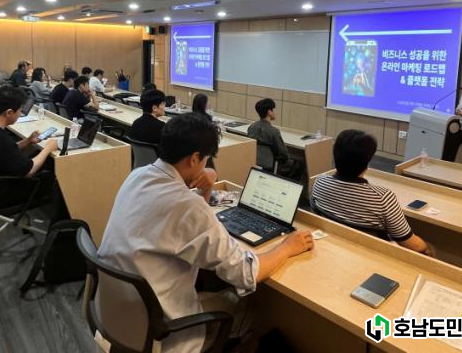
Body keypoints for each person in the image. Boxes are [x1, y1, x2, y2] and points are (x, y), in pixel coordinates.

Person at [98, 114, 314, 353]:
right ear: (194, 158)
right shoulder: (188, 207)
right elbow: (246, 273)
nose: (206, 165)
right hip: (162, 333)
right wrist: (287, 247)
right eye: (206, 159)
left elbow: (181, 223)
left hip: (119, 315)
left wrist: (207, 188)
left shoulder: (137, 176)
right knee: (250, 307)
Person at [310, 130, 431, 255]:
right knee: (427, 248)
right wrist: (427, 248)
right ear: (367, 163)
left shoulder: (320, 182)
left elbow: (315, 214)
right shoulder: (383, 198)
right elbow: (412, 245)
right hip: (372, 255)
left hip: (333, 246)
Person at [0, 86, 65, 216]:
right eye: (20, 110)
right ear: (9, 112)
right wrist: (48, 148)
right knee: (57, 177)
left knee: (41, 157)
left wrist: (27, 141)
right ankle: (59, 222)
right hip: (3, 195)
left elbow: (5, 150)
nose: (20, 114)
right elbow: (28, 172)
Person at [247, 98, 290, 166]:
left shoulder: (251, 127)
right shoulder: (274, 132)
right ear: (269, 112)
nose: (274, 113)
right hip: (271, 166)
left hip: (255, 163)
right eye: (273, 110)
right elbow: (283, 154)